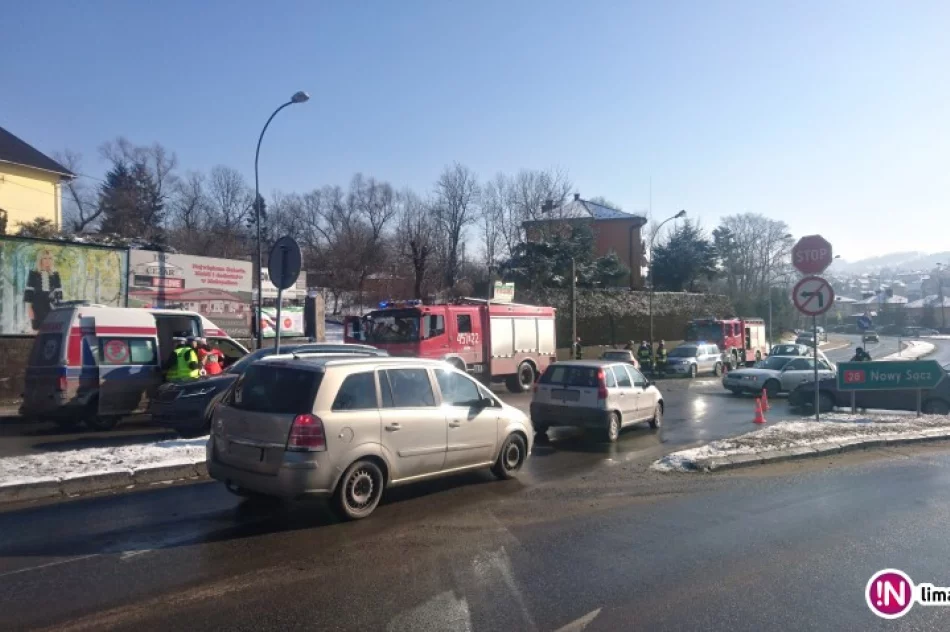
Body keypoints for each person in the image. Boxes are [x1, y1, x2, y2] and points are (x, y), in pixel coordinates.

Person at [23, 248, 63, 331]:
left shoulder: (55, 275)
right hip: (37, 308)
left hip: (52, 308)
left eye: (50, 258)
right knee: (37, 331)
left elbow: (59, 295)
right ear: (40, 260)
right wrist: (29, 309)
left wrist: (60, 310)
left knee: (51, 331)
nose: (47, 261)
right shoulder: (33, 274)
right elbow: (29, 292)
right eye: (45, 258)